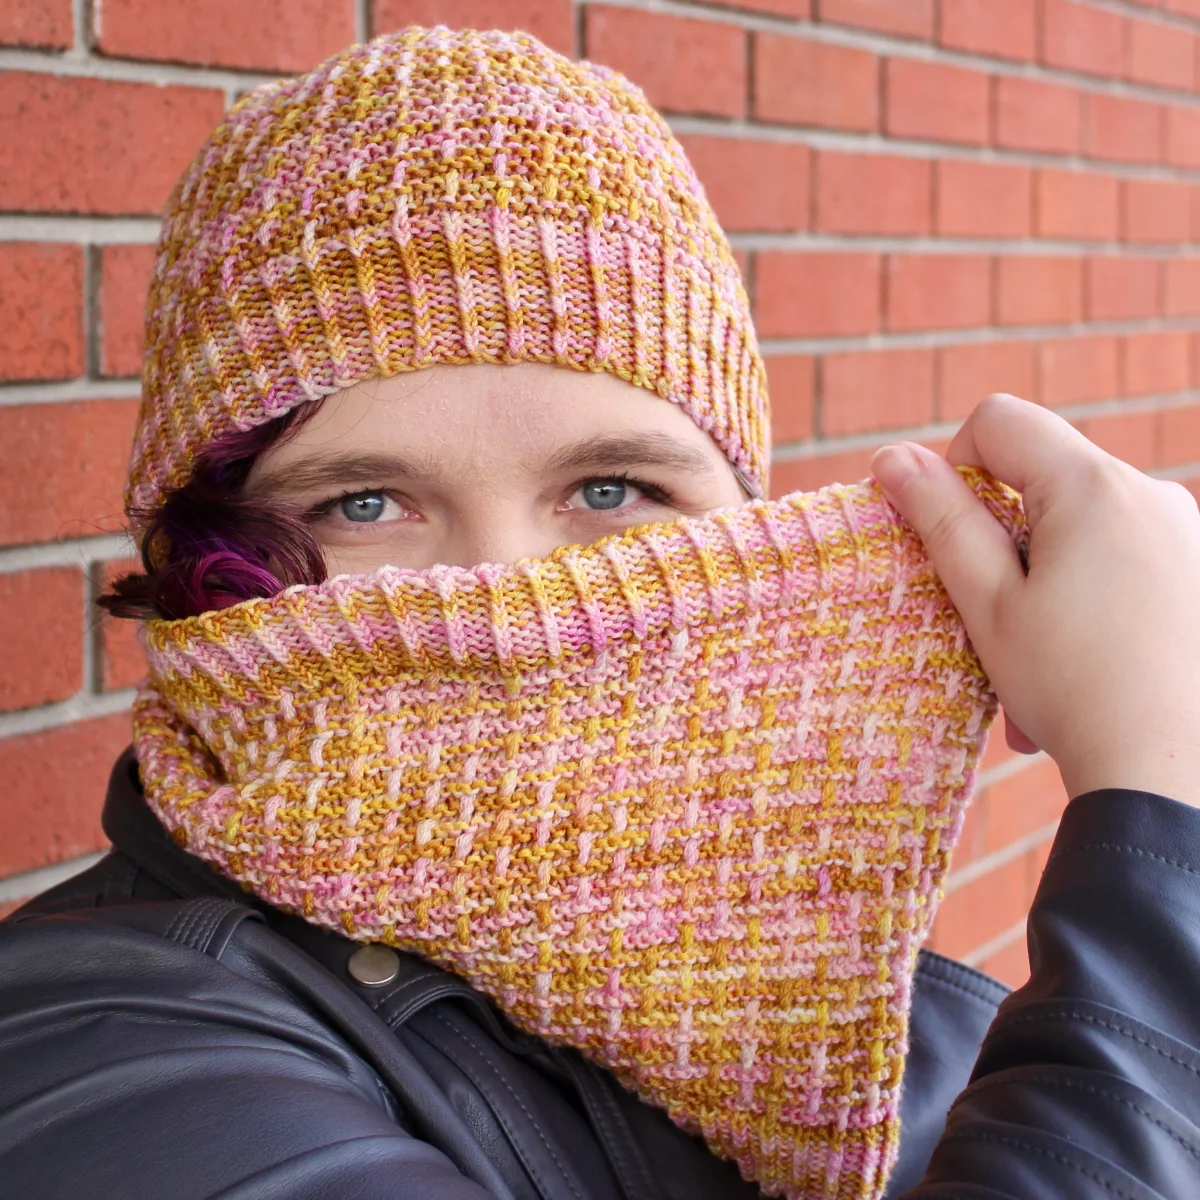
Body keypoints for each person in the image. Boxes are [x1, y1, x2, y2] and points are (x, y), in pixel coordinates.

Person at [2, 24, 1199, 1200]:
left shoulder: (877, 1028)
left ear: (744, 525)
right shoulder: (98, 1046)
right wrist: (1161, 793)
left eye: (611, 489)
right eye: (364, 502)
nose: (508, 605)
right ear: (203, 558)